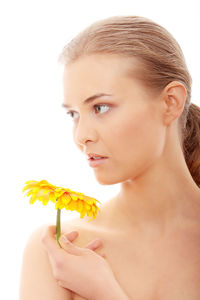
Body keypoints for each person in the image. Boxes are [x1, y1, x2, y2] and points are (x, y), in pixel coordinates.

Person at [19, 15, 200, 300]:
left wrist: (105, 292)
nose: (82, 136)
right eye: (74, 114)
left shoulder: (74, 266)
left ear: (170, 102)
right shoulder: (59, 251)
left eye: (101, 107)